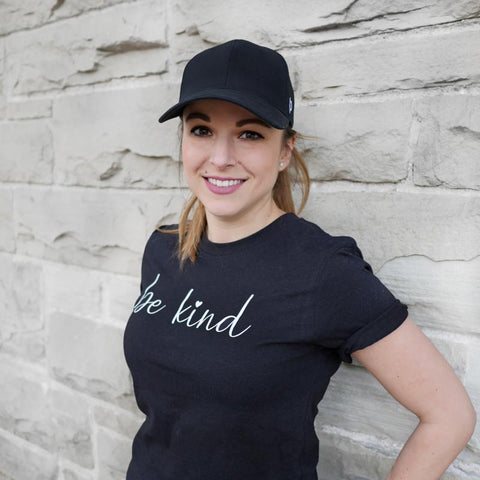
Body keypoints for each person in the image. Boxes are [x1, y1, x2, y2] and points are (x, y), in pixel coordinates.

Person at [123, 39, 476, 480]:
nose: (220, 157)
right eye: (201, 130)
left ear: (285, 150)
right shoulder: (163, 247)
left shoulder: (321, 270)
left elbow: (450, 415)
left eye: (249, 134)